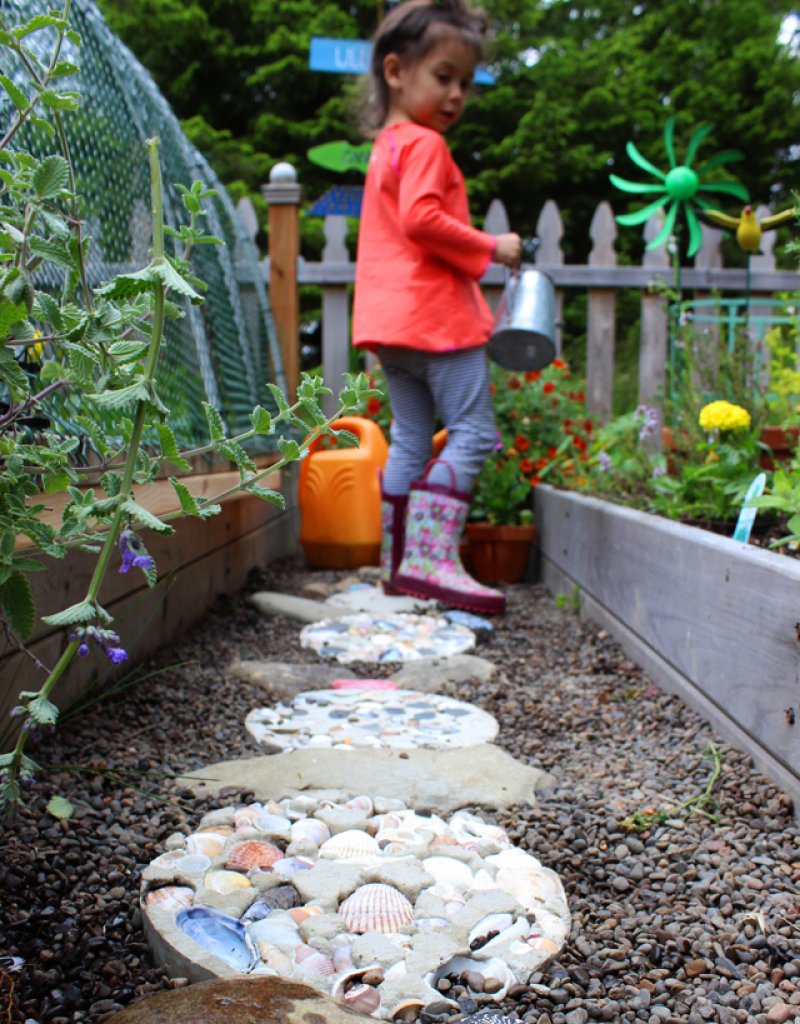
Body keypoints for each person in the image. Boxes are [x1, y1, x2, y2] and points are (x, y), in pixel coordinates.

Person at [352, 0, 521, 615]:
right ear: (396, 72)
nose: (455, 95)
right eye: (443, 77)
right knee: (474, 433)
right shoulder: (425, 145)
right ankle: (431, 562)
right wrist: (492, 248)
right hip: (437, 321)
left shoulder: (387, 145)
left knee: (412, 440)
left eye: (464, 84)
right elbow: (422, 221)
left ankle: (398, 567)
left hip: (391, 326)